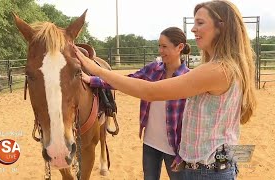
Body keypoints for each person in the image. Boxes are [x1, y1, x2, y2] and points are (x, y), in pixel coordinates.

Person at [72, 0, 257, 179]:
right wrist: (186, 158)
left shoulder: (216, 70)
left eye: (200, 23)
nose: (193, 29)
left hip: (206, 171)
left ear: (221, 27)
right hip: (210, 165)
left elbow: (150, 92)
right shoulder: (228, 67)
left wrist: (95, 69)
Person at [81, 27, 190, 180]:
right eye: (159, 46)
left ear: (179, 47)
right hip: (151, 143)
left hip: (176, 148)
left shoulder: (188, 78)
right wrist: (93, 80)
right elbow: (126, 81)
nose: (160, 50)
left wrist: (183, 153)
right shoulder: (153, 69)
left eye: (164, 46)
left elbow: (191, 122)